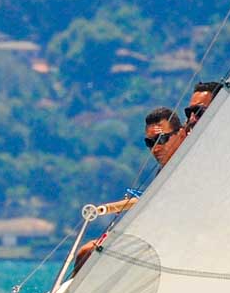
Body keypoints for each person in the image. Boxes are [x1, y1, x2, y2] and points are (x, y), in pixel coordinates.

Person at [73, 107, 187, 274]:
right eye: (150, 143)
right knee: (85, 253)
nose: (155, 148)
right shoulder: (164, 171)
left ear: (181, 134)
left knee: (88, 252)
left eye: (161, 139)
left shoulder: (191, 166)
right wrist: (105, 209)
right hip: (155, 239)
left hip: (176, 243)